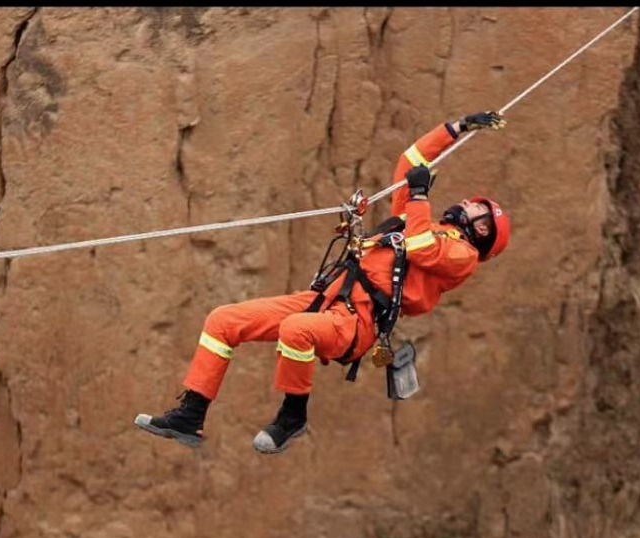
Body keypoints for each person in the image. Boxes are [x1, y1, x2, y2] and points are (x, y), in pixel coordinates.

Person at [135, 110, 511, 454]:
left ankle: (292, 415)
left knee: (297, 331)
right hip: (330, 297)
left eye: (477, 207)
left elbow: (421, 249)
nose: (467, 202)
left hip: (358, 321)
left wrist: (418, 195)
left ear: (481, 230)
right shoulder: (419, 221)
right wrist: (457, 128)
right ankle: (191, 413)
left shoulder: (463, 256)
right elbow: (410, 162)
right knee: (223, 320)